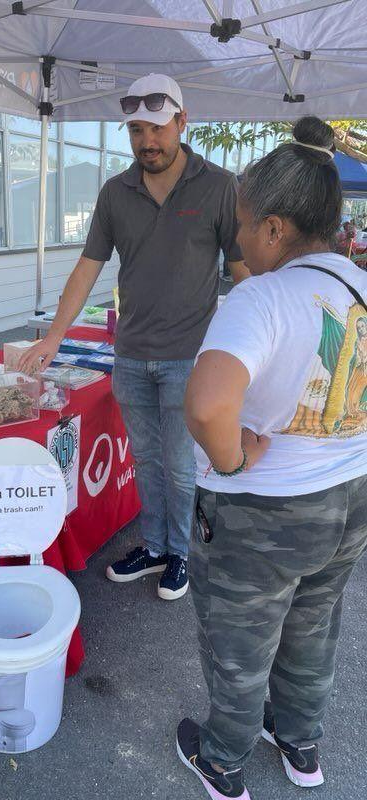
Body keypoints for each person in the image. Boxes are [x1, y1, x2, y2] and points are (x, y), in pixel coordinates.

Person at [177, 116, 367, 800]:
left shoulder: (262, 297)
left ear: (278, 228)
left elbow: (205, 404)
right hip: (350, 502)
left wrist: (229, 462)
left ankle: (224, 762)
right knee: (314, 625)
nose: (239, 238)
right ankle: (300, 743)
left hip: (265, 514)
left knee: (241, 642)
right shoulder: (359, 286)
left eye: (246, 223)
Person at [19, 73, 248, 601]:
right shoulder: (115, 192)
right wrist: (54, 336)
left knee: (181, 462)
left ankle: (181, 555)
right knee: (145, 459)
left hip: (189, 358)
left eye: (158, 128)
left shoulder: (219, 186)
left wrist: (256, 345)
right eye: (137, 131)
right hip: (130, 357)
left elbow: (243, 272)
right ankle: (154, 546)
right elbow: (86, 268)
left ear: (182, 122)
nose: (148, 141)